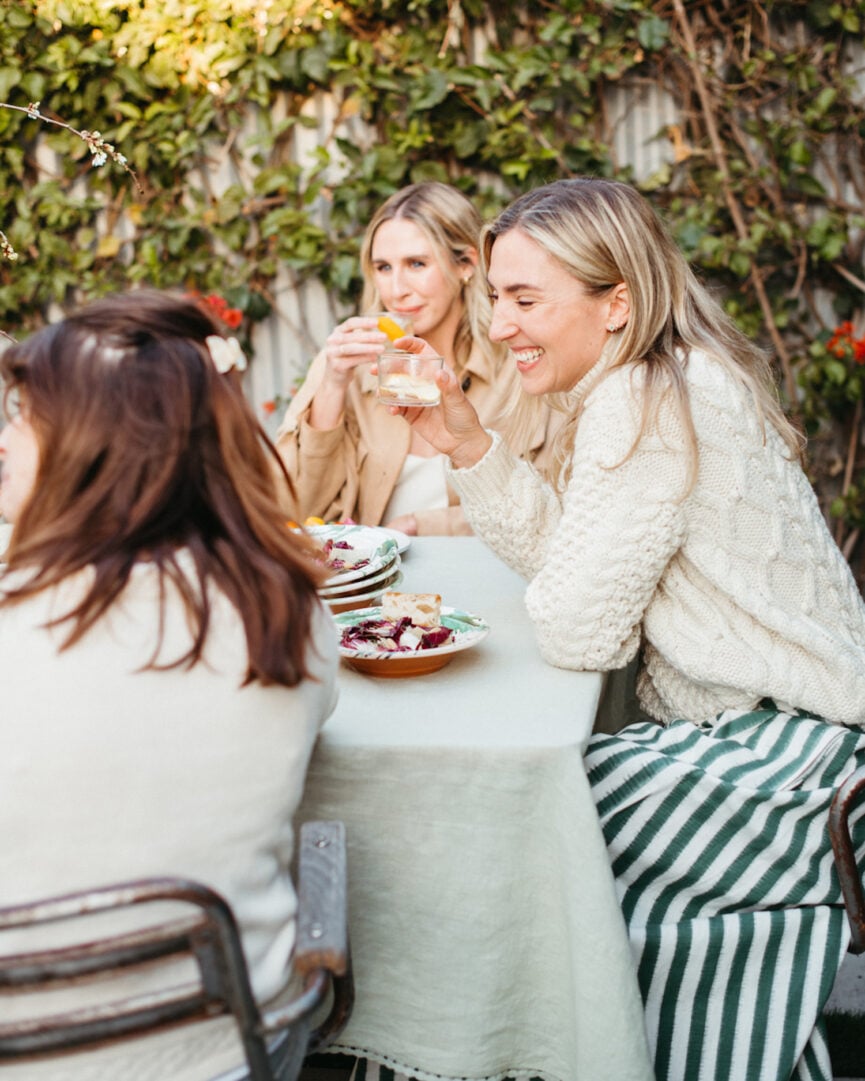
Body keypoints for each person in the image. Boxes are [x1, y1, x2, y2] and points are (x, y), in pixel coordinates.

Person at [381, 177, 865, 1081]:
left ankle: (465, 1057)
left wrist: (553, 581)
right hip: (788, 737)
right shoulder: (660, 376)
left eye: (524, 299)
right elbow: (574, 562)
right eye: (493, 297)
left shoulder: (644, 400)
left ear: (618, 304)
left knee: (500, 823)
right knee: (523, 824)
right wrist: (469, 443)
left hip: (800, 759)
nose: (499, 324)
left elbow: (577, 630)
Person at [0, 289, 339, 1080]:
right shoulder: (288, 606)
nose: (5, 442)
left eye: (22, 417)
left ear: (92, 443)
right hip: (236, 1052)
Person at [275, 180, 560, 535]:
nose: (397, 290)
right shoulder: (348, 364)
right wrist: (332, 387)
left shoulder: (519, 366)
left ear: (466, 264)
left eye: (416, 263)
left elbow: (554, 505)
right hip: (380, 586)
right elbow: (297, 508)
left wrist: (423, 526)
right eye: (383, 268)